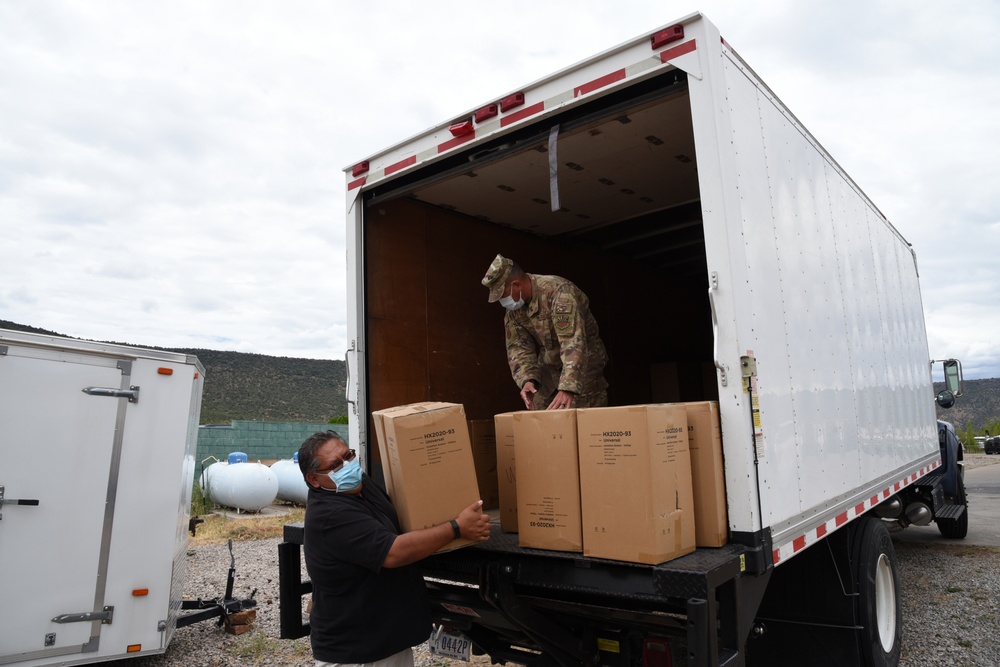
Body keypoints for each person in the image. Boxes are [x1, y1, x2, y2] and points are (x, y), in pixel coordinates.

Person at [298, 430, 490, 667]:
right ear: (314, 479)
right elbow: (393, 552)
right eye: (335, 466)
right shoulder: (330, 516)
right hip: (356, 652)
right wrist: (456, 528)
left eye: (348, 456)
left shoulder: (359, 484)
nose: (347, 466)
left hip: (386, 641)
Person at [482, 254, 608, 410]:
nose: (502, 301)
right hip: (549, 376)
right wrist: (527, 380)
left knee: (583, 427)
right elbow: (518, 349)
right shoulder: (513, 312)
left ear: (516, 285)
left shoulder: (558, 293)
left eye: (502, 295)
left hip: (582, 373)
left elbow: (573, 342)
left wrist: (568, 387)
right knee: (543, 423)